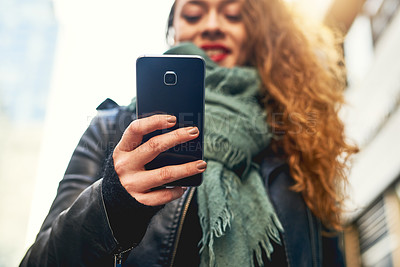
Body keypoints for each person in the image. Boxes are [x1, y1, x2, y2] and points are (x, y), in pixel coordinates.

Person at [20, 0, 358, 266]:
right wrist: (111, 204)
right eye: (194, 15)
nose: (212, 26)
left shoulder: (296, 140)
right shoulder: (113, 128)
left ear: (256, 32)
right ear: (173, 32)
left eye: (233, 15)